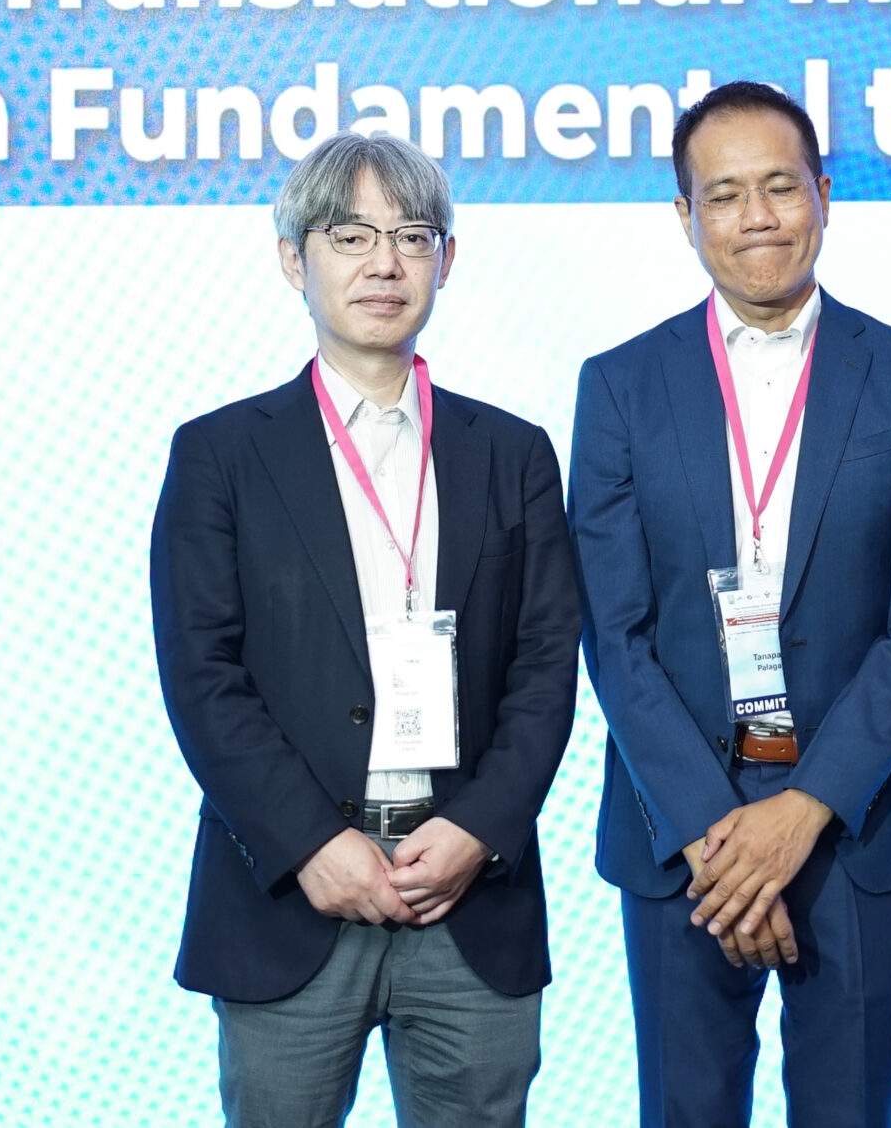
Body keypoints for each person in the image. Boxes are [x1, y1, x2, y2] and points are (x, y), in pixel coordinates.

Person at [151, 133, 581, 1128]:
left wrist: (477, 829)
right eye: (351, 237)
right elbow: (202, 676)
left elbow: (547, 665)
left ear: (446, 260)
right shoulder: (220, 454)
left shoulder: (512, 453)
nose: (384, 263)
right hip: (290, 897)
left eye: (412, 236)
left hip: (468, 893)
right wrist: (310, 843)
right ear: (293, 259)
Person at [569, 81, 891, 1128]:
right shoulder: (620, 385)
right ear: (684, 214)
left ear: (824, 195)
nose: (757, 218)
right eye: (725, 194)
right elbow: (614, 634)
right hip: (678, 836)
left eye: (781, 188)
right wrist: (714, 836)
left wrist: (805, 809)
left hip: (851, 821)